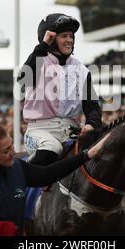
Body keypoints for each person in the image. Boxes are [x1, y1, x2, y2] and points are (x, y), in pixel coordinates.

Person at [0, 123, 101, 236]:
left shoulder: (17, 168)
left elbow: (47, 174)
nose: (13, 153)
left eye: (12, 145)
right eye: (6, 151)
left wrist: (86, 156)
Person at [17, 13, 102, 166]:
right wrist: (42, 46)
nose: (70, 40)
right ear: (50, 38)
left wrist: (91, 124)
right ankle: (23, 179)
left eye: (71, 36)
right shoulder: (38, 61)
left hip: (72, 132)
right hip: (39, 132)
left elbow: (92, 106)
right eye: (64, 36)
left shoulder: (82, 69)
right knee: (52, 148)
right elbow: (23, 79)